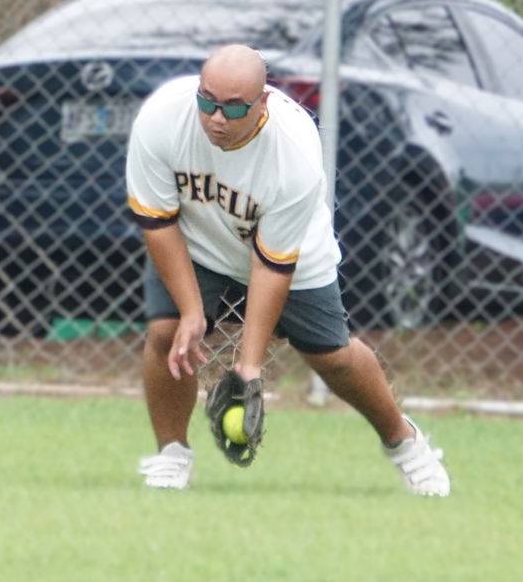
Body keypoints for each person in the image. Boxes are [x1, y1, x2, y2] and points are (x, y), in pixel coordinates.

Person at [124, 43, 450, 496]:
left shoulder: (293, 150)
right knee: (169, 333)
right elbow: (157, 223)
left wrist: (249, 366)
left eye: (234, 107)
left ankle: (405, 444)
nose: (217, 117)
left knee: (333, 357)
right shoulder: (162, 119)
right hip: (200, 241)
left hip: (289, 255)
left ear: (264, 101)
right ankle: (171, 455)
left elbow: (271, 265)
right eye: (208, 101)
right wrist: (192, 312)